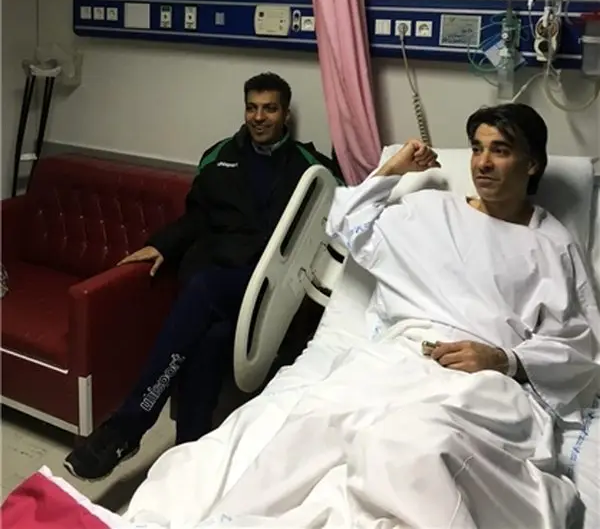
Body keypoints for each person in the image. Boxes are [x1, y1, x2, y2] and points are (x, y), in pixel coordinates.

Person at [127, 103, 600, 528]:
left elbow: (579, 345)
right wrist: (392, 169)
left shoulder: (553, 245)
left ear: (532, 163)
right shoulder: (431, 211)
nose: (482, 163)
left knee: (411, 443)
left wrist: (503, 359)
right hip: (401, 357)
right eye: (477, 148)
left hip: (482, 379)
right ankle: (230, 520)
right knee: (316, 420)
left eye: (500, 150)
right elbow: (346, 223)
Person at [64, 72, 339, 481]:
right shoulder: (219, 157)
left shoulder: (311, 169)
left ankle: (127, 428)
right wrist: (163, 244)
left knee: (202, 289)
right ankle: (186, 456)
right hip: (222, 277)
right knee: (209, 336)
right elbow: (197, 217)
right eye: (252, 107)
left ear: (285, 114)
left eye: (269, 109)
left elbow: (343, 215)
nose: (259, 117)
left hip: (269, 288)